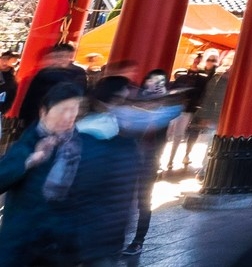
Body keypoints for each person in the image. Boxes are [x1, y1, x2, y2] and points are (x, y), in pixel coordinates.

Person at [0, 79, 140, 265]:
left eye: (74, 109)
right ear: (44, 112)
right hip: (22, 242)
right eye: (62, 110)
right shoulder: (30, 142)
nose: (69, 116)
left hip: (59, 247)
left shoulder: (79, 143)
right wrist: (30, 161)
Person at [106, 69, 181, 255]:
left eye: (160, 82)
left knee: (143, 201)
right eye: (151, 80)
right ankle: (114, 238)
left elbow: (172, 113)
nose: (155, 84)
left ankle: (138, 240)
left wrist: (162, 99)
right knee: (120, 197)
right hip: (128, 156)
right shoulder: (133, 102)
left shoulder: (167, 106)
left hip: (149, 159)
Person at [16, 42, 86, 130]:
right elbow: (31, 95)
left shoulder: (78, 73)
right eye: (60, 56)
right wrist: (23, 115)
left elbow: (82, 95)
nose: (63, 59)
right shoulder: (44, 73)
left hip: (63, 114)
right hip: (39, 112)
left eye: (66, 56)